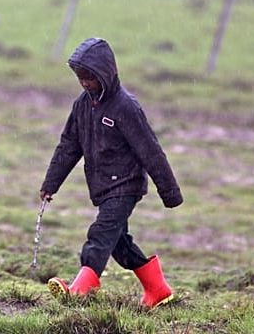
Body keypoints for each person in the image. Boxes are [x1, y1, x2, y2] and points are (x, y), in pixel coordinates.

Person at [39, 37, 182, 308]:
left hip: (126, 186)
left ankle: (80, 290)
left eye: (89, 77)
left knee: (101, 233)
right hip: (102, 187)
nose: (84, 82)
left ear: (105, 73)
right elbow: (69, 146)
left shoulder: (126, 107)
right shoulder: (82, 105)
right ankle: (158, 290)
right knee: (119, 244)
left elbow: (150, 151)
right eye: (80, 77)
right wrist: (51, 183)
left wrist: (170, 193)